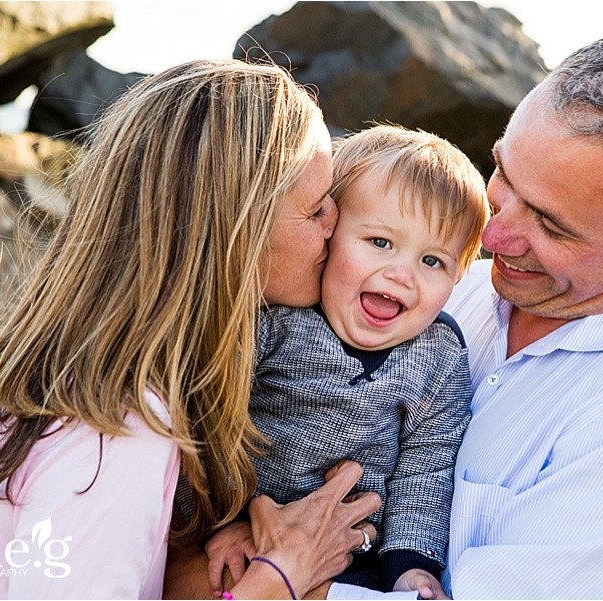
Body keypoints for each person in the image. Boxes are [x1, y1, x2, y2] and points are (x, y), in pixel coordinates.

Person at [0, 59, 381, 599]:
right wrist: (281, 579)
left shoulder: (73, 377)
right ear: (237, 230)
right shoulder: (114, 430)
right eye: (317, 207)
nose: (338, 224)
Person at [326, 31, 603, 600]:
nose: (493, 235)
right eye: (502, 174)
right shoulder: (450, 288)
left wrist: (253, 585)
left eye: (553, 226)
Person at [202, 125, 490, 597]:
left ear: (460, 274)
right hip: (247, 533)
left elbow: (426, 469)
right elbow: (209, 426)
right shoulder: (278, 319)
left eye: (433, 261)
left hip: (358, 560)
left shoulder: (438, 356)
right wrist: (221, 524)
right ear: (329, 233)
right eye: (379, 242)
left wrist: (412, 565)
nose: (401, 275)